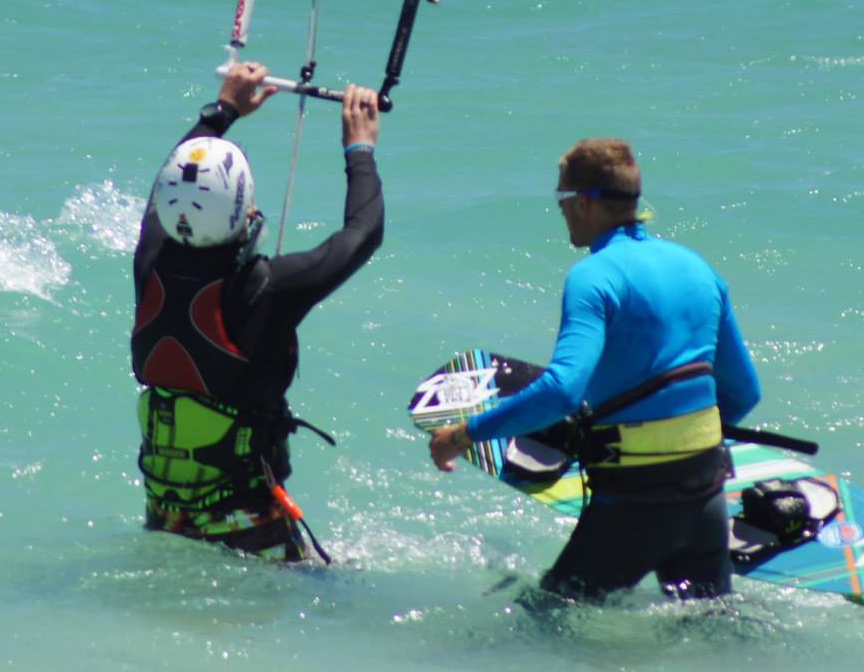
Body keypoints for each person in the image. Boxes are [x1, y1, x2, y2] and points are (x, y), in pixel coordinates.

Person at [427, 137, 761, 601]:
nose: (561, 210)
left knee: (545, 624)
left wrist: (463, 435)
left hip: (634, 502)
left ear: (583, 202)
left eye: (563, 198)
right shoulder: (698, 269)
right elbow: (744, 394)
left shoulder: (595, 277)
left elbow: (562, 391)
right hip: (705, 492)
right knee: (710, 629)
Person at [131, 61, 383, 562]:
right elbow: (362, 233)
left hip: (166, 515)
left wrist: (222, 110)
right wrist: (360, 149)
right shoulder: (269, 287)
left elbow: (170, 180)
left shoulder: (151, 259)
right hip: (247, 527)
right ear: (245, 207)